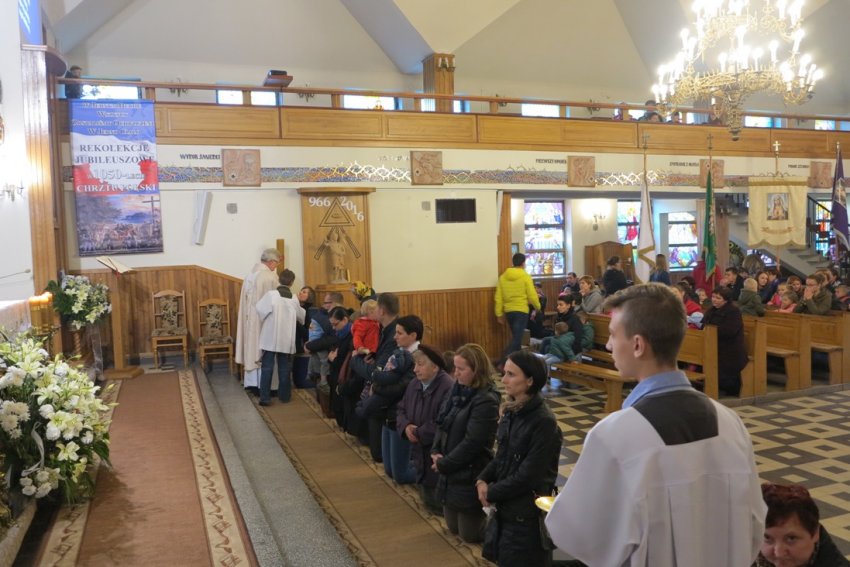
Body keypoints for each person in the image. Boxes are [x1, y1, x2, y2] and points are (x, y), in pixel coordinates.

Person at [545, 284, 766, 566]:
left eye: (613, 335)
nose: (609, 345)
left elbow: (576, 533)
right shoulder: (730, 423)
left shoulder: (616, 434)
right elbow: (755, 524)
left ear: (637, 345)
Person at [477, 350, 563, 567]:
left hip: (525, 513)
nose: (503, 380)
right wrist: (482, 479)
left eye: (511, 374)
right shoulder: (512, 410)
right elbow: (501, 456)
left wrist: (491, 492)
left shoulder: (543, 422)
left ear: (530, 380)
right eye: (504, 373)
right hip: (506, 505)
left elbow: (529, 476)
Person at [431, 343, 500, 543]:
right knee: (453, 527)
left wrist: (444, 464)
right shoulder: (457, 388)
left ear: (476, 370)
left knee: (469, 535)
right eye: (455, 367)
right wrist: (435, 450)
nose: (456, 373)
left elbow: (473, 443)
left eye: (461, 369)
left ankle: (499, 527)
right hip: (450, 468)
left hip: (470, 470)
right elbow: (442, 422)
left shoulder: (486, 400)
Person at [396, 344, 453, 515]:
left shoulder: (447, 387)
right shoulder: (414, 384)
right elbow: (401, 409)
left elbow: (443, 422)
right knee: (425, 498)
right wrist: (406, 426)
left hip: (436, 453)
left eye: (420, 365)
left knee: (439, 505)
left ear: (435, 367)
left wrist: (417, 433)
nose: (415, 369)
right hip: (418, 451)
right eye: (415, 364)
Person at [348, 292, 401, 462]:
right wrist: (374, 357)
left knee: (379, 453)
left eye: (376, 306)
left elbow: (379, 373)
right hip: (381, 386)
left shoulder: (394, 334)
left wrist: (355, 360)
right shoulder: (386, 329)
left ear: (382, 311)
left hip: (387, 392)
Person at [756, 482, 850, 567]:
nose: (779, 553)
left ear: (815, 533)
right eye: (767, 538)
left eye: (791, 538)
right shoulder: (751, 552)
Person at [235, 249, 281, 394]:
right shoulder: (270, 277)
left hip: (250, 321)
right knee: (264, 351)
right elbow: (277, 301)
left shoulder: (250, 275)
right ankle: (267, 386)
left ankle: (252, 383)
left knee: (252, 348)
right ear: (271, 261)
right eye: (277, 263)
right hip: (263, 322)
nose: (276, 266)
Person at [255, 283, 306, 405]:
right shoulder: (293, 299)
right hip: (285, 339)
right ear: (292, 283)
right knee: (284, 368)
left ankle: (264, 398)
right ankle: (285, 397)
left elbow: (260, 310)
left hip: (270, 338)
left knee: (267, 368)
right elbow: (301, 317)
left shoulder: (271, 295)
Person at [494, 253, 540, 362]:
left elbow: (498, 297)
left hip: (509, 312)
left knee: (517, 339)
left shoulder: (503, 277)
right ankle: (502, 362)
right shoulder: (525, 276)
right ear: (523, 263)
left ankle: (518, 363)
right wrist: (537, 306)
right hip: (521, 311)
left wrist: (499, 314)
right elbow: (532, 294)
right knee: (517, 339)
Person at [703, 286, 749, 396]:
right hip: (714, 343)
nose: (714, 300)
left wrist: (712, 331)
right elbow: (703, 324)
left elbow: (730, 331)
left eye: (718, 298)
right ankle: (707, 383)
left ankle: (724, 386)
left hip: (730, 347)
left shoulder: (733, 311)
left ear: (726, 300)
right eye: (713, 297)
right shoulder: (711, 310)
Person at [326, 306, 354, 428]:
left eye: (335, 324)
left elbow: (344, 360)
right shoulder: (339, 334)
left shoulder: (352, 336)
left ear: (345, 320)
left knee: (342, 408)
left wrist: (333, 359)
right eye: (331, 324)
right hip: (335, 374)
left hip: (344, 377)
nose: (333, 328)